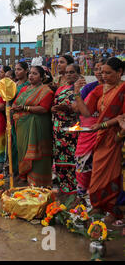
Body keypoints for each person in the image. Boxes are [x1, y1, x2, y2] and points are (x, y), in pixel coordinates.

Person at [73, 57, 124, 222]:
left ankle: (113, 210)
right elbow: (86, 113)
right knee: (97, 174)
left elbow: (123, 116)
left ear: (120, 72)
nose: (104, 76)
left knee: (113, 174)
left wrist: (103, 125)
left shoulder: (123, 90)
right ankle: (98, 206)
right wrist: (76, 93)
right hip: (101, 138)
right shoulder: (99, 90)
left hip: (117, 138)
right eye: (102, 72)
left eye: (108, 73)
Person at [12, 66, 54, 187]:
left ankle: (37, 181)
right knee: (23, 151)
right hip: (22, 126)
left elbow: (44, 108)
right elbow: (16, 103)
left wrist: (25, 108)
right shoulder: (24, 89)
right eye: (30, 73)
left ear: (42, 77)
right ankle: (24, 176)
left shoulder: (46, 90)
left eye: (35, 74)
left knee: (37, 154)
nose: (30, 76)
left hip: (37, 126)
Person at [72, 59, 105, 195]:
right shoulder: (89, 88)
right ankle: (82, 197)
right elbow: (76, 108)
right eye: (97, 70)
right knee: (83, 165)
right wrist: (77, 92)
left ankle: (100, 201)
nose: (99, 73)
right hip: (88, 132)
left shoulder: (119, 89)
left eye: (103, 70)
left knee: (102, 167)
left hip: (106, 132)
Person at [51, 64, 81, 195]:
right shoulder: (61, 88)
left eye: (72, 72)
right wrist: (54, 108)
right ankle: (64, 188)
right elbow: (55, 103)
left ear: (78, 74)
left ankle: (75, 190)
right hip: (58, 127)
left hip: (72, 128)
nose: (68, 74)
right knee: (59, 158)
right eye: (67, 72)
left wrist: (67, 109)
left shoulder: (80, 88)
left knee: (71, 158)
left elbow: (81, 108)